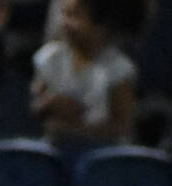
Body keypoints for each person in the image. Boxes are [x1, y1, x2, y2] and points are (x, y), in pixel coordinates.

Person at [31, 0, 142, 141]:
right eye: (64, 14)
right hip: (55, 147)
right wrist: (49, 104)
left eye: (75, 16)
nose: (65, 23)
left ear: (100, 26)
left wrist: (76, 129)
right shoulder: (51, 58)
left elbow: (123, 127)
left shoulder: (117, 68)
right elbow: (36, 103)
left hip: (101, 150)